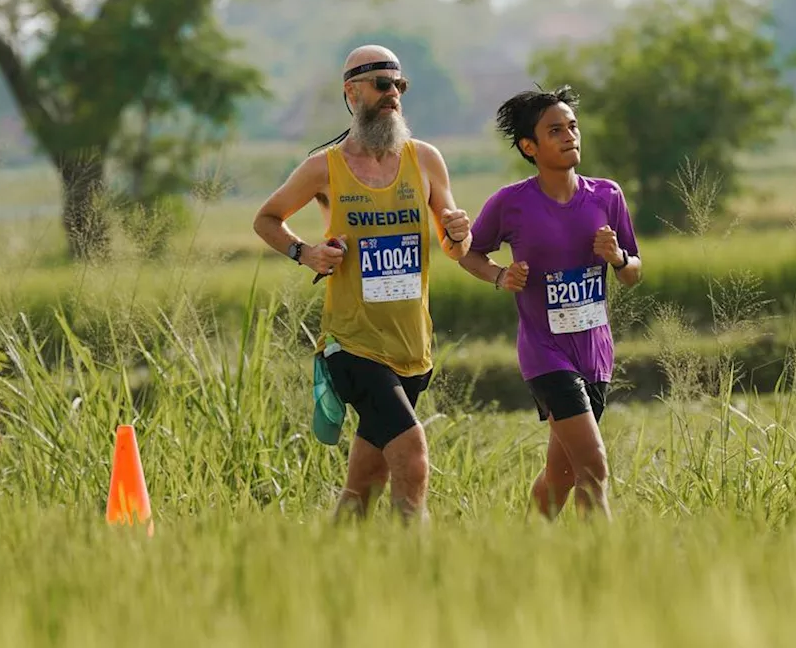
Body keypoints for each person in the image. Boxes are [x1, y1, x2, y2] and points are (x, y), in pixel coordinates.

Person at [252, 45, 472, 523]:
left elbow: (453, 245)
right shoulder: (323, 168)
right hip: (352, 345)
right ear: (352, 93)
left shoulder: (426, 160)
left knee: (364, 483)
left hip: (413, 346)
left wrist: (459, 233)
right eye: (382, 84)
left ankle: (335, 565)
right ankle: (418, 573)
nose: (393, 94)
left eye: (399, 86)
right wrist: (305, 252)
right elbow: (266, 219)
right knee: (412, 456)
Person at [457, 85, 642, 521]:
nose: (569, 136)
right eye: (555, 130)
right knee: (593, 466)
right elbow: (468, 251)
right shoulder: (511, 202)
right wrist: (501, 276)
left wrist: (616, 257)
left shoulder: (607, 196)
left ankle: (527, 540)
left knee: (560, 475)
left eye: (572, 127)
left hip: (595, 353)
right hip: (546, 354)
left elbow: (633, 273)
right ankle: (605, 567)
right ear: (529, 146)